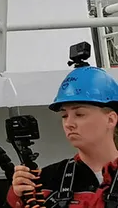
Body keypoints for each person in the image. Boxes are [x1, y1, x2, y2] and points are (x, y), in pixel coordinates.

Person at [8, 66, 118, 208]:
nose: (69, 124)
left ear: (111, 120)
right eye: (64, 116)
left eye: (79, 114)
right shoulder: (45, 180)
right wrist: (15, 200)